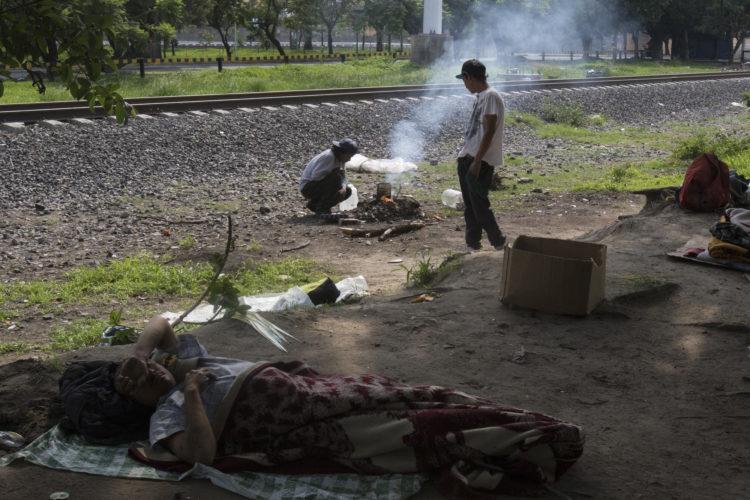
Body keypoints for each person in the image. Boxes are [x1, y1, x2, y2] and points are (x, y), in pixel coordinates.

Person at [59, 315, 584, 496]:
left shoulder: (175, 359)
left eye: (147, 366)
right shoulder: (169, 412)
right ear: (131, 399)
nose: (149, 371)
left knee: (416, 393)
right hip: (303, 426)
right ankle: (526, 443)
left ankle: (523, 423)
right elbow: (200, 454)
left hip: (318, 392)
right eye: (137, 379)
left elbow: (161, 323)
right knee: (414, 429)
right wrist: (192, 394)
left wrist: (137, 352)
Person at [456, 59, 507, 252]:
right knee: (471, 206)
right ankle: (472, 244)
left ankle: (499, 242)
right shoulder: (481, 97)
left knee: (479, 205)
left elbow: (489, 131)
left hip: (479, 160)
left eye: (464, 79)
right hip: (468, 158)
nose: (464, 84)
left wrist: (477, 161)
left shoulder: (491, 96)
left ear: (468, 77)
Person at [299, 138, 358, 214]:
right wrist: (333, 172)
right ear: (342, 153)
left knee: (347, 191)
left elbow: (343, 177)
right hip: (307, 188)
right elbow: (316, 177)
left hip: (319, 185)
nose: (349, 159)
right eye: (348, 156)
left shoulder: (341, 161)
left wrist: (343, 188)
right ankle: (322, 209)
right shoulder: (329, 157)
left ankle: (315, 205)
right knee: (335, 178)